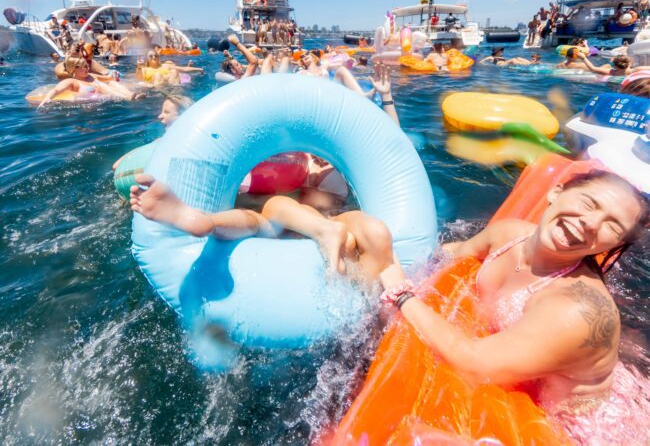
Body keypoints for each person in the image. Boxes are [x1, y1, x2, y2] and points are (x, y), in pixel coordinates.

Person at [130, 169, 649, 444]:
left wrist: (397, 289)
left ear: (612, 246)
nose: (590, 223)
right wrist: (379, 249)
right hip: (510, 353)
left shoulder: (578, 310)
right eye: (589, 203)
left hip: (578, 428)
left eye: (610, 227)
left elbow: (475, 364)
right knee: (364, 232)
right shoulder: (512, 235)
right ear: (558, 191)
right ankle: (224, 221)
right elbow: (449, 254)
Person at [38, 57, 144, 108]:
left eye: (87, 66)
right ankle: (128, 98)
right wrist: (47, 98)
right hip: (93, 108)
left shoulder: (91, 76)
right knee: (101, 84)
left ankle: (130, 95)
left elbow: (108, 78)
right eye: (83, 67)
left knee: (112, 83)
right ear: (74, 69)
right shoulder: (71, 81)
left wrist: (114, 77)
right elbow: (56, 89)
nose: (87, 68)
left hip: (110, 101)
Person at [137, 51, 203, 86]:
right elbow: (139, 79)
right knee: (158, 75)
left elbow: (183, 69)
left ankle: (176, 91)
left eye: (155, 55)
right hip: (156, 88)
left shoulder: (165, 66)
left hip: (171, 85)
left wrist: (199, 69)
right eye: (151, 56)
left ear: (158, 57)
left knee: (174, 71)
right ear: (147, 59)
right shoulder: (144, 69)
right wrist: (139, 67)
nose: (154, 57)